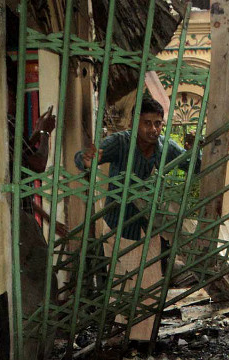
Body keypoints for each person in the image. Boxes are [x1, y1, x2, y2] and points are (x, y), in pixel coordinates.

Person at [75, 96, 200, 340]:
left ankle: (136, 341)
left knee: (150, 286)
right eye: (147, 123)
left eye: (158, 124)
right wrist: (87, 159)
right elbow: (83, 158)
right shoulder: (121, 143)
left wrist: (195, 152)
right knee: (126, 285)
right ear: (135, 122)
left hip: (150, 227)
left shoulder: (165, 147)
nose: (153, 129)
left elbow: (195, 166)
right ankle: (124, 339)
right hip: (119, 226)